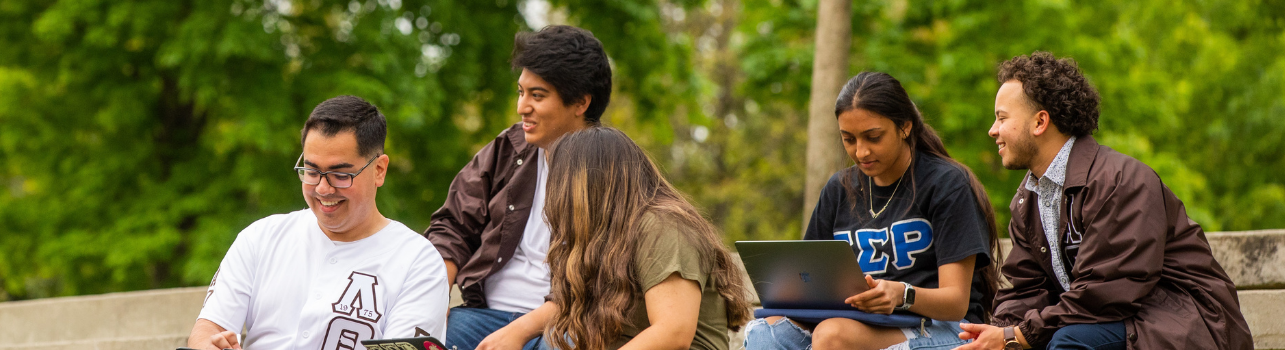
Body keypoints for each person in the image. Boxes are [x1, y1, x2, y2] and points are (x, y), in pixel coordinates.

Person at [955, 52, 1252, 350]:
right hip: (1113, 321)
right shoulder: (1028, 199)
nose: (993, 130)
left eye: (1002, 118)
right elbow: (1027, 289)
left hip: (1186, 326)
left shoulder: (1120, 181)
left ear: (1040, 122)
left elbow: (1105, 293)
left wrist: (1015, 337)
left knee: (1069, 342)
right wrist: (997, 333)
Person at [745, 72, 1002, 350]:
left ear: (904, 127)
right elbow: (809, 283)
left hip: (943, 327)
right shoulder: (839, 189)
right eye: (849, 139)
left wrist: (902, 295)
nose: (861, 152)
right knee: (763, 332)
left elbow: (955, 302)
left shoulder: (946, 184)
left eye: (873, 137)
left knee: (832, 336)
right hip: (858, 320)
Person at [188, 95, 449, 350]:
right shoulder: (260, 238)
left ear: (379, 170)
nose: (323, 189)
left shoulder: (418, 263)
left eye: (340, 174)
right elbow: (209, 328)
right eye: (311, 172)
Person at [425, 24, 613, 350]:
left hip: (565, 322)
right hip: (482, 314)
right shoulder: (509, 148)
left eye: (537, 95)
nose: (522, 107)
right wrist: (434, 298)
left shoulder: (613, 173)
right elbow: (453, 225)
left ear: (581, 102)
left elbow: (594, 282)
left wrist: (520, 331)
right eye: (520, 92)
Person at [534, 127, 753, 350]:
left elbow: (673, 333)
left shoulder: (664, 226)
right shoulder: (610, 237)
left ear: (587, 185)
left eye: (559, 183)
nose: (554, 196)